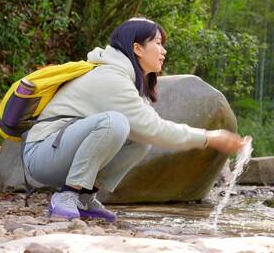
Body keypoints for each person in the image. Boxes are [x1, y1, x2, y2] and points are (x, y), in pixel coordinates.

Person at [23, 17, 248, 222]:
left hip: (60, 151)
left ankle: (84, 198)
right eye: (158, 43)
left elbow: (148, 131)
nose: (164, 51)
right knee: (115, 123)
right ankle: (67, 196)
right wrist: (210, 137)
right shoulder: (111, 77)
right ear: (137, 48)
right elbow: (156, 129)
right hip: (42, 155)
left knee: (139, 139)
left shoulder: (127, 79)